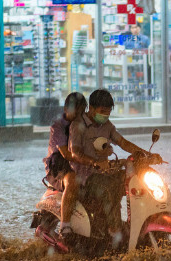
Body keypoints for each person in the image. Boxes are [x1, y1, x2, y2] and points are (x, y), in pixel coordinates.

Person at [66, 89, 158, 247]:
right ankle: (115, 232)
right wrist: (94, 162)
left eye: (108, 113)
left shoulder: (106, 125)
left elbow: (123, 142)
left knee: (135, 180)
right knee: (109, 188)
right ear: (92, 108)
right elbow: (75, 154)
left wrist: (146, 155)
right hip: (85, 177)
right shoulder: (77, 125)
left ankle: (137, 224)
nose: (105, 116)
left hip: (105, 172)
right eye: (102, 112)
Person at [42, 92, 88, 235]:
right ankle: (65, 225)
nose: (78, 115)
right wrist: (91, 161)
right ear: (66, 109)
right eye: (76, 111)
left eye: (82, 111)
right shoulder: (58, 127)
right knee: (72, 181)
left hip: (80, 163)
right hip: (59, 166)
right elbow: (66, 154)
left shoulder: (86, 125)